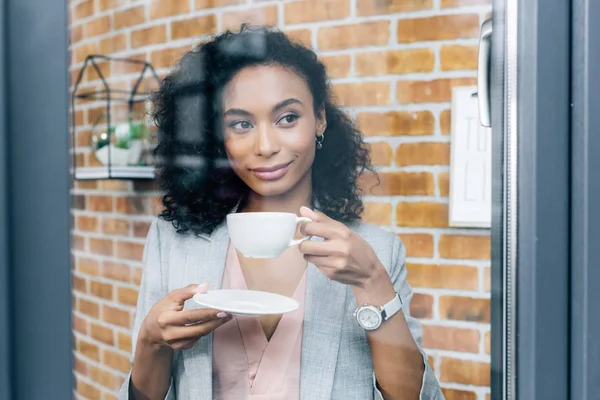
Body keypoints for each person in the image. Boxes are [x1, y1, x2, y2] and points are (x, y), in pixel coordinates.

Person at [118, 24, 443, 400]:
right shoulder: (173, 241)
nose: (266, 145)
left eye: (287, 118)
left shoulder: (376, 251)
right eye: (241, 124)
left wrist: (372, 283)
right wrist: (151, 342)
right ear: (218, 137)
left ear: (319, 118)